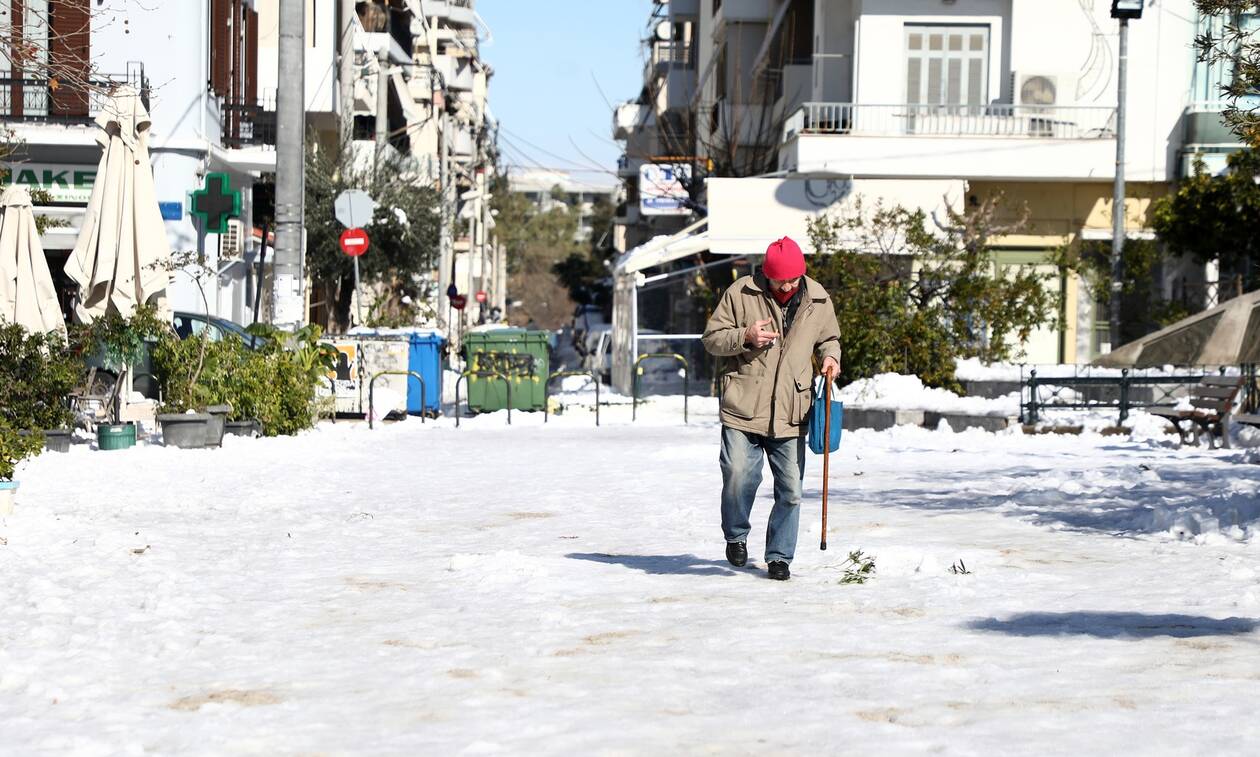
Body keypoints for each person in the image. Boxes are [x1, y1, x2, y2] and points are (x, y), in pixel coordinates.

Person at [701, 236, 841, 581]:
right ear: (767, 274)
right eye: (781, 280)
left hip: (792, 411)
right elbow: (711, 338)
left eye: (794, 279)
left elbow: (830, 338)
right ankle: (735, 535)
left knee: (791, 491)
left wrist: (831, 358)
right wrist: (745, 336)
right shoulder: (741, 293)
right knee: (737, 475)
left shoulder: (818, 298)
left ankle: (779, 557)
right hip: (743, 406)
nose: (788, 286)